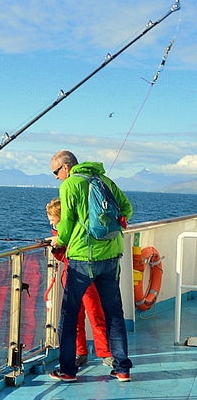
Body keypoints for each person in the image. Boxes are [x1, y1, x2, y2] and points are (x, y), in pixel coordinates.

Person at [49, 150, 134, 382]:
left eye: (56, 172)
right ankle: (122, 368)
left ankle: (67, 370)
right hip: (112, 255)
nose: (56, 177)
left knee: (68, 314)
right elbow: (127, 209)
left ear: (66, 167)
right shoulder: (105, 180)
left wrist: (59, 240)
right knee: (114, 313)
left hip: (83, 258)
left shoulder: (70, 185)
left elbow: (66, 222)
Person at [45, 197, 113, 367]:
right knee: (76, 317)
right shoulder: (61, 234)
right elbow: (65, 257)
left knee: (94, 313)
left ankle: (105, 353)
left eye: (54, 222)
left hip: (84, 276)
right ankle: (80, 352)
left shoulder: (73, 233)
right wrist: (56, 249)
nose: (52, 226)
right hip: (71, 276)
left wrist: (60, 242)